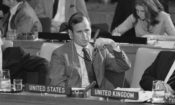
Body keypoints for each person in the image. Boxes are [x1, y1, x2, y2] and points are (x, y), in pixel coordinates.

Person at [47, 12, 131, 89]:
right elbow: (57, 85)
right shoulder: (60, 54)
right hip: (75, 99)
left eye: (87, 30)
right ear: (71, 34)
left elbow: (124, 66)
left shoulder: (100, 50)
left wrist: (112, 44)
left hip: (99, 97)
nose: (84, 36)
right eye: (79, 32)